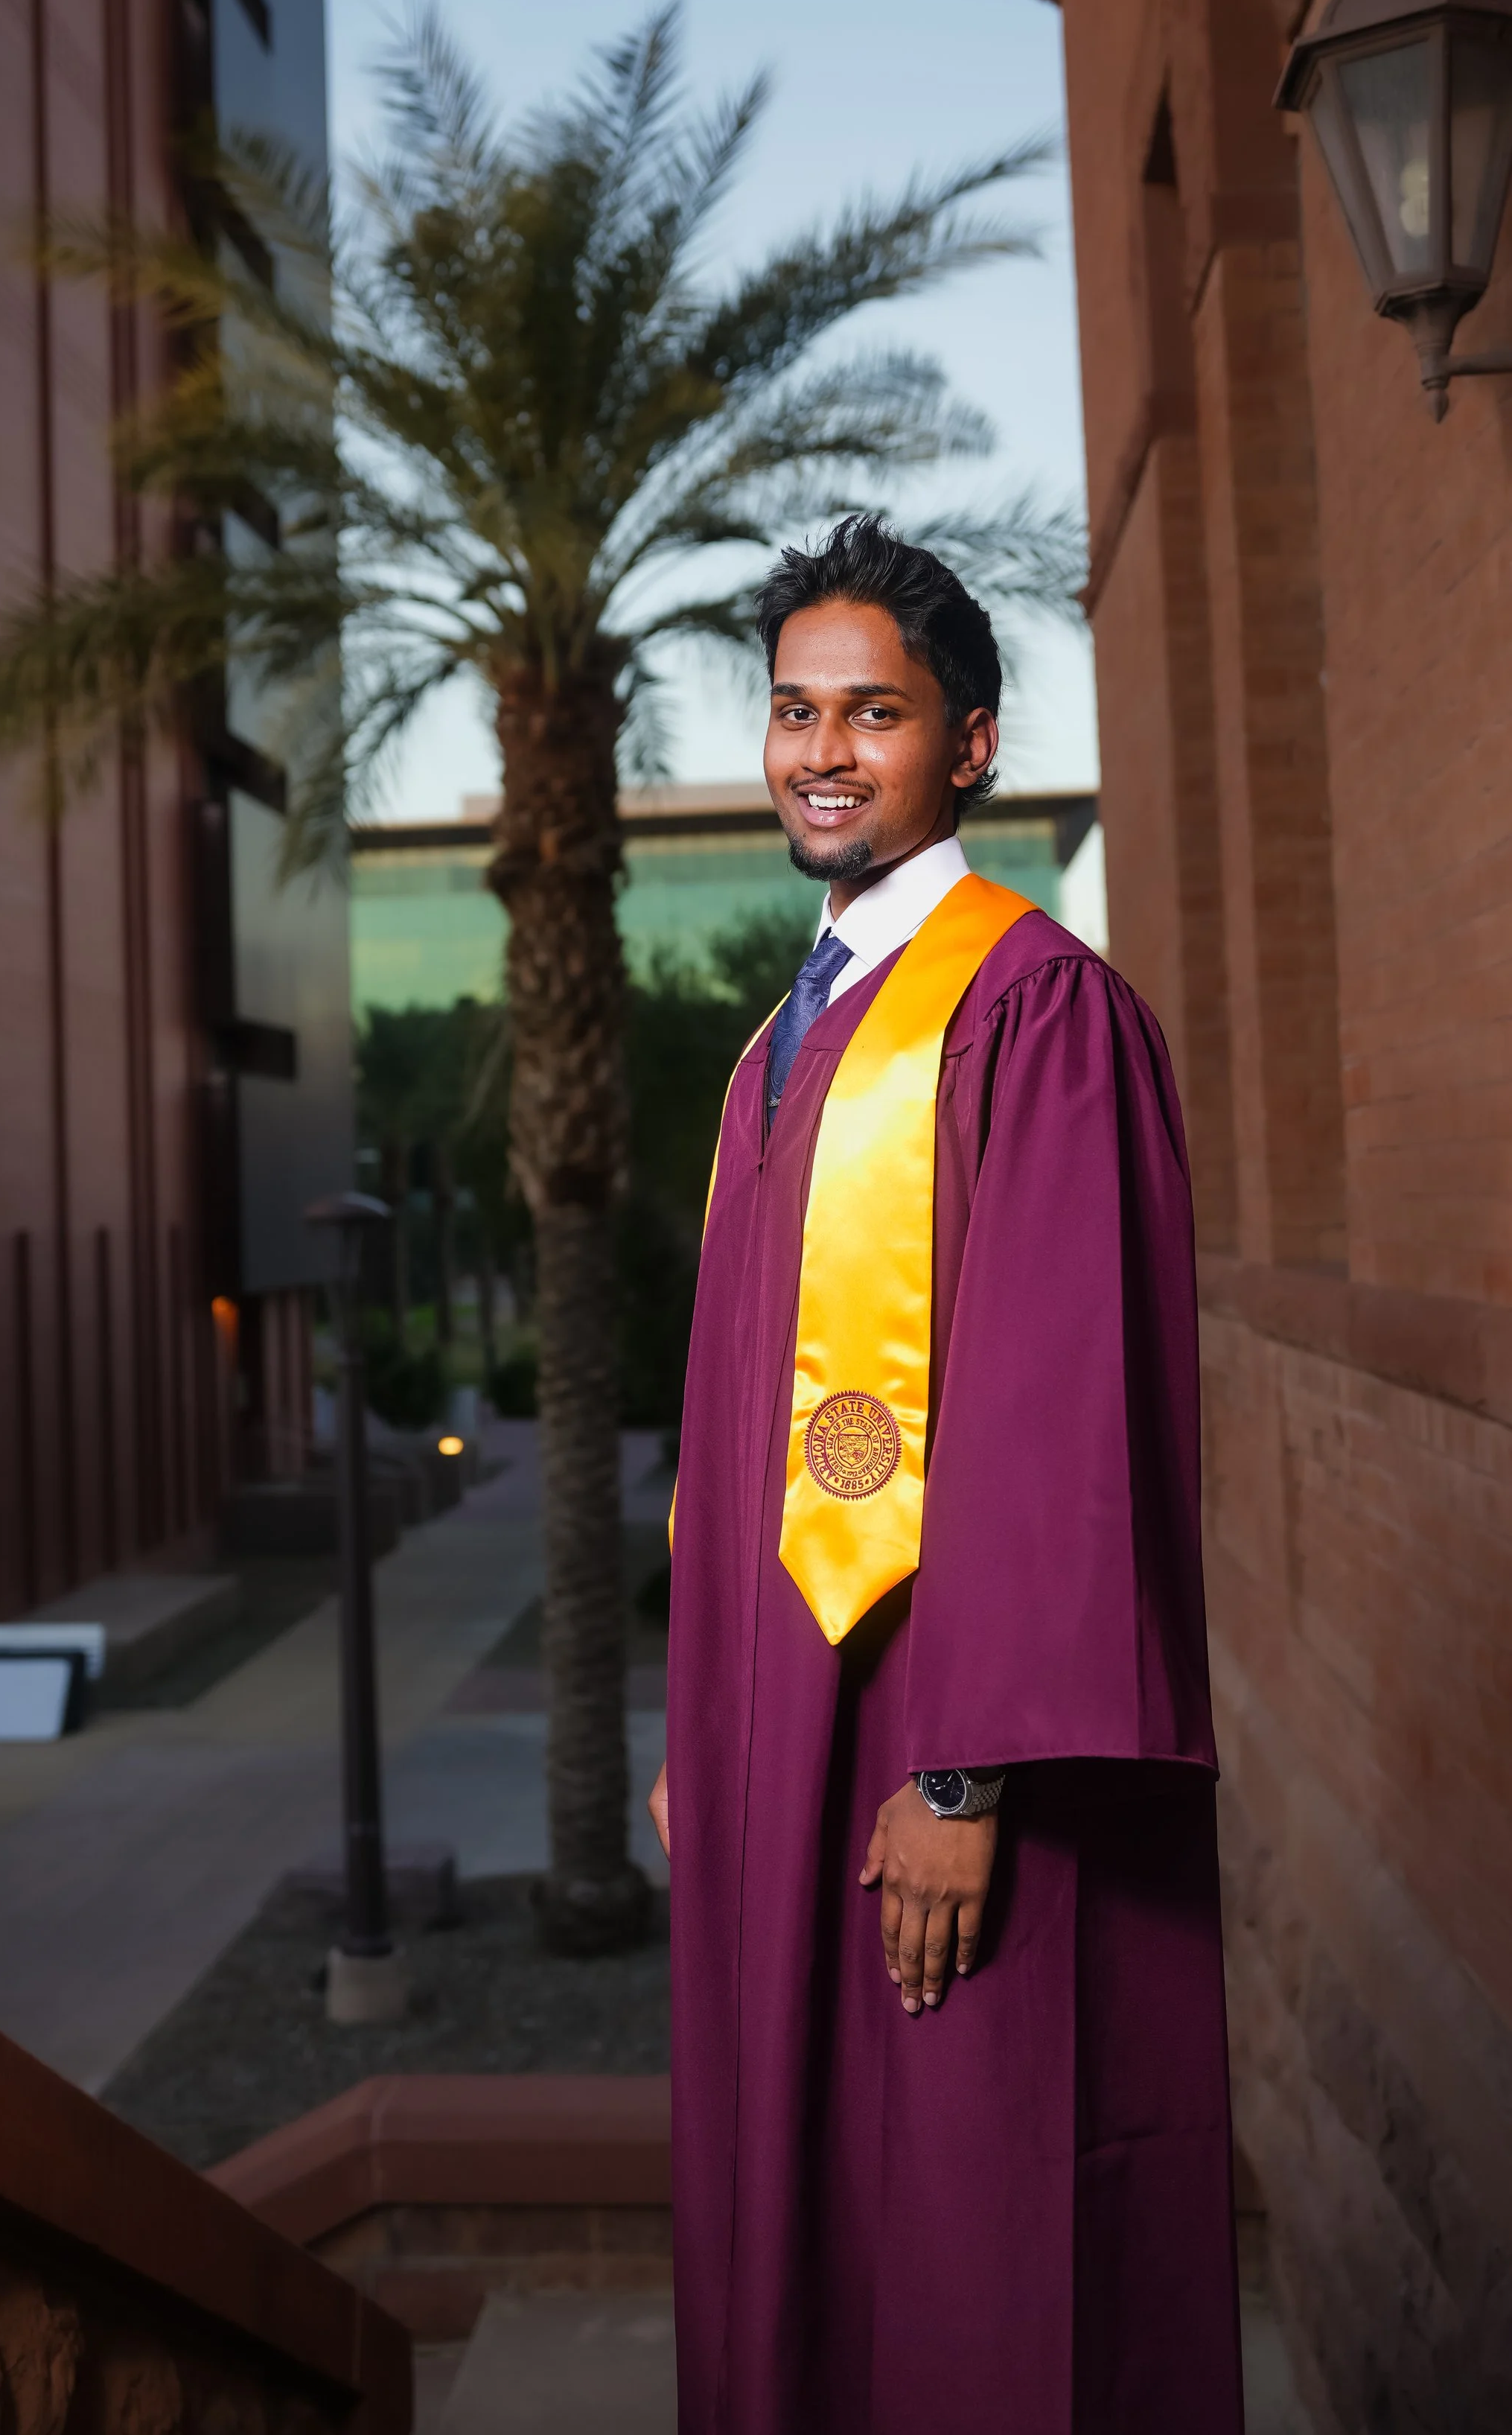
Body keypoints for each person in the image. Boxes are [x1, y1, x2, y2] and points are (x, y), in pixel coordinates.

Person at [651, 516, 1241, 2433]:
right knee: (802, 2203)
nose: (821, 752)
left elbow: (1066, 1423)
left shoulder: (1033, 1013)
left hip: (936, 1740)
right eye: (794, 711)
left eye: (874, 715)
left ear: (966, 745)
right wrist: (711, 1707)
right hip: (785, 1733)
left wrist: (965, 1771)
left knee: (971, 2219)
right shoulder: (779, 1045)